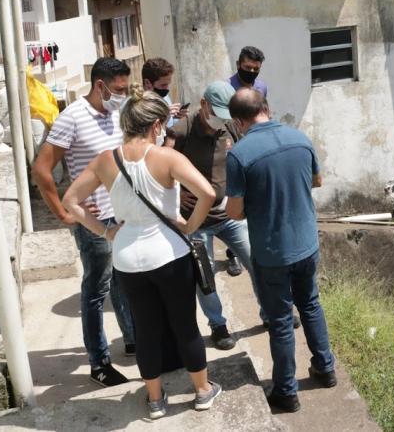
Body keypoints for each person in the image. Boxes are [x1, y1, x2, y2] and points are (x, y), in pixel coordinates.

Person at [62, 86, 222, 420]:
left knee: (145, 329)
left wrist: (105, 231)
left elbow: (70, 203)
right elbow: (207, 192)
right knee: (184, 325)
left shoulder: (107, 159)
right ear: (154, 125)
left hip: (126, 256)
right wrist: (190, 226)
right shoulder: (166, 157)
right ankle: (203, 391)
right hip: (167, 252)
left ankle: (155, 401)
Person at [226, 88, 337, 413]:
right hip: (306, 243)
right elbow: (317, 181)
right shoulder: (300, 138)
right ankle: (326, 368)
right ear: (267, 108)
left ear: (238, 121)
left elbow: (234, 212)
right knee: (311, 304)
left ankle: (287, 392)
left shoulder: (240, 154)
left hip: (272, 252)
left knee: (280, 320)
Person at [32, 57, 136, 387]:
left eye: (127, 88)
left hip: (123, 213)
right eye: (119, 89)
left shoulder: (119, 114)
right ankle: (99, 362)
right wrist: (61, 212)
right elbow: (41, 169)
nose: (124, 94)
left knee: (124, 281)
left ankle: (133, 339)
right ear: (100, 85)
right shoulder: (72, 118)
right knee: (96, 290)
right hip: (94, 220)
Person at [171, 81, 298, 349]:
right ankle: (218, 325)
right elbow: (161, 166)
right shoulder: (182, 130)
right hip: (195, 221)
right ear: (203, 104)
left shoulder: (230, 127)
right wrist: (176, 193)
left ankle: (270, 313)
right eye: (216, 113)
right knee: (204, 276)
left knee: (257, 262)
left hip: (229, 216)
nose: (220, 121)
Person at [225, 45, 268, 275]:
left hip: (257, 145)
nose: (251, 71)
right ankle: (234, 255)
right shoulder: (226, 88)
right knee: (237, 197)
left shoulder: (261, 87)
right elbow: (221, 120)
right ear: (238, 65)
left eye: (255, 68)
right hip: (235, 146)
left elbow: (265, 112)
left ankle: (253, 245)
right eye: (247, 67)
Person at [141, 57, 186, 132]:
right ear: (147, 83)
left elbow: (170, 124)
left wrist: (177, 117)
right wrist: (163, 116)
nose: (167, 88)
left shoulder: (165, 97)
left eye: (168, 84)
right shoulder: (138, 105)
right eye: (163, 85)